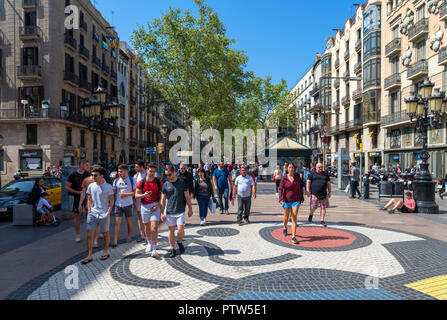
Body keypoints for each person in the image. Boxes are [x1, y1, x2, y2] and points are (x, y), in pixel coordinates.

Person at [82, 166, 115, 265]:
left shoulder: (108, 187)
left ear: (101, 176)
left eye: (95, 175)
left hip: (103, 213)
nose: (92, 177)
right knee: (89, 234)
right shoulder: (91, 186)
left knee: (105, 233)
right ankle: (90, 255)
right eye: (91, 175)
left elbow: (112, 201)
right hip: (92, 213)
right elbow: (89, 198)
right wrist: (89, 210)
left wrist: (108, 212)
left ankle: (105, 251)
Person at [160, 165, 193, 258]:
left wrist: (190, 209)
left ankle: (179, 241)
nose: (168, 177)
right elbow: (162, 200)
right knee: (171, 230)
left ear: (174, 172)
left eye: (169, 175)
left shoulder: (182, 182)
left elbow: (187, 197)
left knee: (180, 230)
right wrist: (162, 212)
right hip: (170, 211)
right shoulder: (165, 184)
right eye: (166, 175)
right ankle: (172, 248)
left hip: (180, 211)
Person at [135, 164, 163, 257]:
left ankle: (154, 249)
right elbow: (136, 195)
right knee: (147, 227)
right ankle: (149, 243)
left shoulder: (159, 182)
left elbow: (163, 196)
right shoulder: (141, 182)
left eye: (154, 172)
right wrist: (144, 195)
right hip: (144, 207)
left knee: (154, 227)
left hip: (155, 206)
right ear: (147, 170)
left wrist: (158, 205)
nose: (152, 173)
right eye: (150, 171)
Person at [65, 160, 91, 243]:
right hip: (77, 197)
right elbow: (66, 187)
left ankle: (94, 233)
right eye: (86, 165)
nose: (88, 166)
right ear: (81, 165)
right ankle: (78, 235)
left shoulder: (88, 174)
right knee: (77, 217)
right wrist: (78, 192)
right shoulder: (73, 175)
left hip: (87, 197)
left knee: (91, 215)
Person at [279, 163, 304, 244]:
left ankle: (293, 236)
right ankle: (285, 227)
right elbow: (280, 189)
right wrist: (280, 198)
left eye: (292, 167)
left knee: (294, 216)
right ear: (287, 168)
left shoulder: (297, 178)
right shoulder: (284, 178)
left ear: (294, 168)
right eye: (289, 167)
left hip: (296, 200)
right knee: (286, 216)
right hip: (286, 200)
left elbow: (300, 188)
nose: (291, 169)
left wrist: (301, 198)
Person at [111, 165, 136, 248]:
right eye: (118, 171)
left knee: (129, 221)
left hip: (129, 204)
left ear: (126, 171)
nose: (119, 173)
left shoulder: (132, 180)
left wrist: (125, 195)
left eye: (121, 171)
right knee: (117, 222)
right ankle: (115, 240)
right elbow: (113, 192)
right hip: (118, 205)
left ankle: (129, 236)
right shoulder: (116, 181)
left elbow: (135, 193)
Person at [306, 163, 331, 228]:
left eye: (321, 167)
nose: (320, 168)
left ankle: (322, 220)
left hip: (323, 194)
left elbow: (328, 184)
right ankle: (311, 214)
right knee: (313, 207)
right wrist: (308, 191)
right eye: (319, 167)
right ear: (316, 167)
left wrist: (329, 192)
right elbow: (308, 182)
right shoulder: (312, 174)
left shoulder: (326, 174)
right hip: (314, 194)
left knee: (323, 207)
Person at [133, 161, 148, 243]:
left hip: (147, 199)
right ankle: (142, 235)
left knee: (147, 217)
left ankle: (148, 234)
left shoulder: (148, 175)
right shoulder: (135, 176)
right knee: (140, 217)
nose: (135, 168)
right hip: (138, 199)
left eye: (137, 166)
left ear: (142, 166)